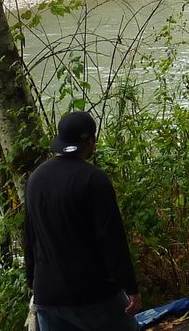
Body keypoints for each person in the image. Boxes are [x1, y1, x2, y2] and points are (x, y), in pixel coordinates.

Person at [25, 111, 142, 331]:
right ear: (90, 141)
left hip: (47, 296)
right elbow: (111, 240)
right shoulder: (94, 179)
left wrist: (32, 280)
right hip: (92, 294)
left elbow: (30, 237)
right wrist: (131, 287)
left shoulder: (35, 179)